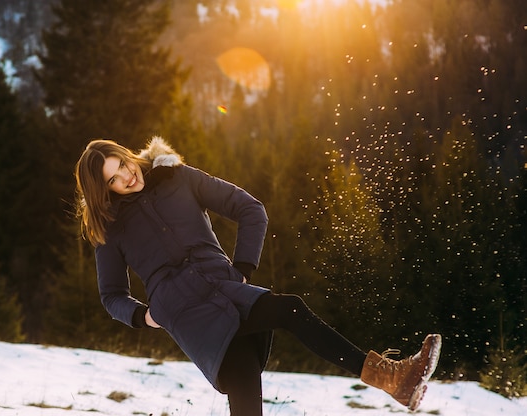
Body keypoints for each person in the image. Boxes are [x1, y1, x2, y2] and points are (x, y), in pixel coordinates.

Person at [74, 136, 441, 415]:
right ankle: (392, 379)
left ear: (127, 154)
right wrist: (146, 316)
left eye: (122, 163)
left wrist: (243, 269)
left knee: (282, 321)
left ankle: (392, 379)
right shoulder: (110, 229)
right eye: (113, 180)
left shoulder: (178, 178)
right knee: (249, 375)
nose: (126, 175)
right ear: (102, 191)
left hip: (226, 285)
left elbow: (250, 209)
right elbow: (112, 295)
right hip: (184, 311)